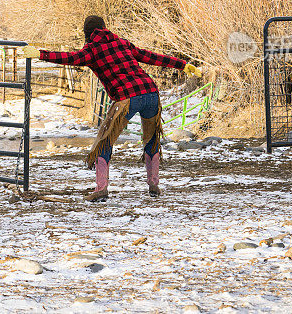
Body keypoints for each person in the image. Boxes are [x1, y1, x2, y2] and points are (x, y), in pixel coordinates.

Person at [22, 15, 201, 202]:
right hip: (151, 93)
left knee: (104, 141)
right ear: (104, 27)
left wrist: (40, 54)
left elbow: (70, 58)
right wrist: (183, 65)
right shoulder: (122, 43)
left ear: (87, 33)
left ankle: (101, 189)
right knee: (151, 139)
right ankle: (153, 185)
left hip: (127, 98)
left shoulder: (91, 50)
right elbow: (151, 57)